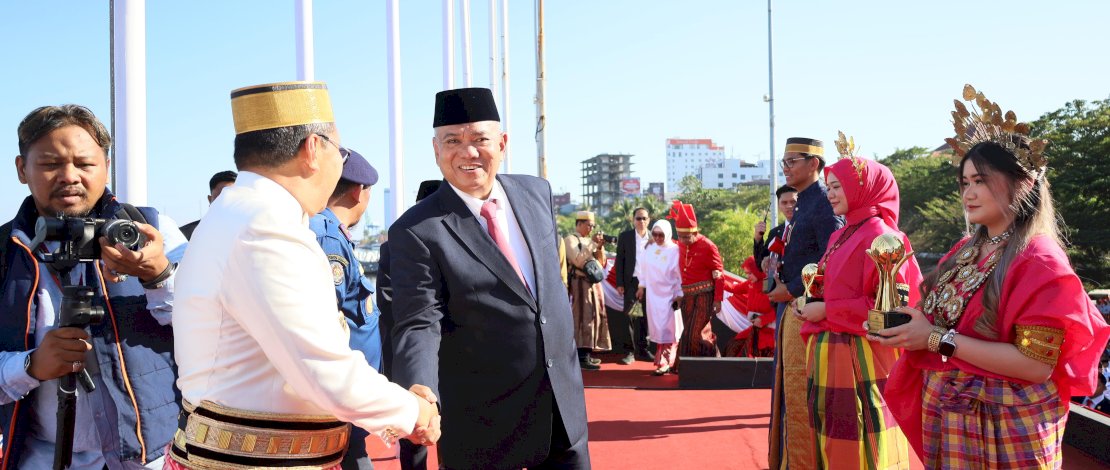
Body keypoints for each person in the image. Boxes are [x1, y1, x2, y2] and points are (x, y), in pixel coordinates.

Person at [169, 81, 439, 469]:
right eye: (339, 153)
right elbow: (325, 373)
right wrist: (414, 412)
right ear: (313, 149)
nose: (339, 167)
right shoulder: (266, 227)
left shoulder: (238, 212)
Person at [877, 85, 1110, 468]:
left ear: (1024, 183)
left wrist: (934, 338)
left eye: (981, 180)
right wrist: (904, 325)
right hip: (950, 416)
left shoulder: (1039, 260)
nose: (968, 193)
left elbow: (1035, 365)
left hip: (1005, 428)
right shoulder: (965, 249)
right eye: (965, 182)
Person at [389, 87, 591, 469]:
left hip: (563, 416)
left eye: (480, 139)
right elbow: (419, 321)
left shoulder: (537, 193)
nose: (467, 152)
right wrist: (419, 387)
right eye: (453, 141)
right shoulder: (416, 230)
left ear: (502, 143)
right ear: (435, 149)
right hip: (485, 428)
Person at [0, 104, 186, 469]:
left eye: (85, 164)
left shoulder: (152, 230)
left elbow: (213, 330)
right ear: (22, 169)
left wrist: (158, 274)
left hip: (151, 458)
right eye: (50, 164)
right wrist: (30, 365)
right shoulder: (6, 251)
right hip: (41, 458)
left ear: (106, 165)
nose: (69, 176)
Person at [795, 139, 920, 468]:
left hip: (863, 356)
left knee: (867, 437)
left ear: (862, 188)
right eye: (829, 187)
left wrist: (826, 311)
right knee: (832, 438)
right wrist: (809, 301)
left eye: (838, 187)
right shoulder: (840, 235)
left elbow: (890, 315)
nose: (831, 194)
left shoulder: (884, 237)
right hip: (829, 354)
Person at [767, 137, 842, 470]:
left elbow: (831, 257)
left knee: (802, 394)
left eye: (791, 161)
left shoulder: (823, 203)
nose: (785, 168)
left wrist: (793, 288)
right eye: (783, 162)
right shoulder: (803, 204)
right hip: (793, 307)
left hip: (809, 309)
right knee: (788, 390)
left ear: (814, 164)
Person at [309, 149, 381, 470]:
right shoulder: (328, 237)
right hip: (339, 402)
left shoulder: (332, 233)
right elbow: (326, 320)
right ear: (358, 191)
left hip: (347, 400)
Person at [376, 179, 440, 470]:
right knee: (414, 429)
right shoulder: (395, 245)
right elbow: (389, 302)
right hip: (411, 350)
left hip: (446, 354)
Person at [671, 201, 725, 362]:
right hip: (687, 296)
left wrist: (718, 299)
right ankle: (696, 365)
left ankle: (708, 363)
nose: (683, 240)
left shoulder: (708, 246)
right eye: (680, 236)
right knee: (690, 331)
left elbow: (719, 274)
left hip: (704, 296)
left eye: (686, 237)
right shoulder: (679, 244)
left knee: (695, 333)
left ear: (695, 232)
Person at [565, 211, 612, 370]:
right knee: (581, 318)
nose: (591, 228)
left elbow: (601, 263)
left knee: (594, 318)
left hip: (594, 285)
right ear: (579, 223)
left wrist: (600, 247)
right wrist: (592, 243)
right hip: (579, 284)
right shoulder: (570, 239)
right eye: (589, 225)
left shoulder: (590, 240)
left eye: (593, 225)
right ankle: (581, 356)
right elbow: (578, 260)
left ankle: (588, 353)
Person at [637, 220, 684, 375]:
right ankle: (661, 360)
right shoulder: (650, 248)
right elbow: (643, 269)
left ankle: (667, 361)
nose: (657, 238)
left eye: (661, 235)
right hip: (653, 295)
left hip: (670, 295)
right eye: (655, 234)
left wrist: (680, 294)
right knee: (658, 328)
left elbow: (679, 275)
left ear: (668, 234)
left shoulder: (675, 250)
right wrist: (641, 286)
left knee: (669, 328)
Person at [615, 207, 654, 364]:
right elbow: (620, 261)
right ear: (633, 220)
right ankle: (629, 351)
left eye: (644, 218)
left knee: (645, 317)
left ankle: (643, 349)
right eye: (638, 218)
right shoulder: (626, 237)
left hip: (650, 283)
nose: (641, 221)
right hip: (631, 282)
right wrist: (619, 283)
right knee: (630, 316)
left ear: (649, 220)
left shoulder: (654, 237)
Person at [724, 256, 776, 358]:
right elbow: (735, 288)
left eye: (750, 273)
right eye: (746, 273)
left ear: (757, 270)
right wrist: (719, 279)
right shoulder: (750, 284)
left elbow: (778, 308)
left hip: (769, 332)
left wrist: (763, 320)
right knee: (734, 347)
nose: (748, 276)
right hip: (756, 329)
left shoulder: (769, 284)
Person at [178, 170, 237, 240]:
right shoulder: (183, 235)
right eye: (220, 198)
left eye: (233, 198)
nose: (226, 203)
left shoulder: (247, 232)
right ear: (210, 199)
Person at [753, 185, 797, 276]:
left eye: (793, 202)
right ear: (779, 206)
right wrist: (758, 238)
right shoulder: (775, 232)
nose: (789, 206)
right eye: (784, 203)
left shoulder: (808, 228)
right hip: (777, 283)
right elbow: (760, 264)